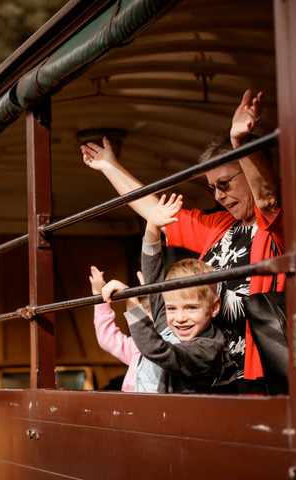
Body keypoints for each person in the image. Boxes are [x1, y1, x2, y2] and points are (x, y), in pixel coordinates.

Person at [82, 90, 283, 393]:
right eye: (212, 189)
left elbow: (267, 199)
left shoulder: (278, 223)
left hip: (258, 369)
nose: (218, 196)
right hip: (210, 372)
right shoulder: (219, 225)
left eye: (224, 184)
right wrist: (110, 167)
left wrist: (240, 143)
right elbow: (158, 215)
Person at [101, 253, 225, 394]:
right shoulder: (167, 327)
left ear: (214, 307)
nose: (180, 318)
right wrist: (152, 231)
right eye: (171, 308)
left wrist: (131, 301)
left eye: (191, 307)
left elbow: (157, 350)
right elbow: (153, 280)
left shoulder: (207, 349)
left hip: (170, 414)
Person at [88, 265, 142, 392]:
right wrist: (100, 297)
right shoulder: (137, 350)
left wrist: (130, 297)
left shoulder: (167, 348)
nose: (144, 328)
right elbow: (108, 338)